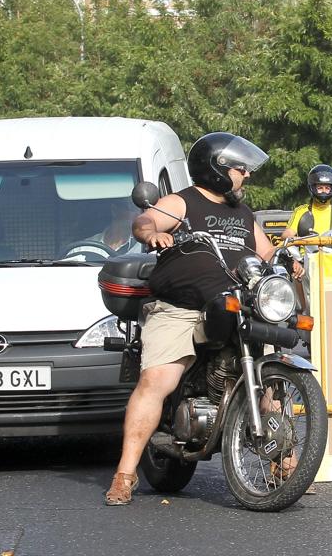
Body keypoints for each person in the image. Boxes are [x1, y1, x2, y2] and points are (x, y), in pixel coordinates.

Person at [105, 132, 300, 506]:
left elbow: (266, 251)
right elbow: (146, 221)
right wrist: (153, 236)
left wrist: (287, 260)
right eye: (240, 168)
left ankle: (285, 465)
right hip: (181, 307)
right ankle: (125, 474)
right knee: (158, 379)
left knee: (268, 381)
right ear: (217, 170)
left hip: (235, 303)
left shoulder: (244, 215)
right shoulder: (183, 201)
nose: (246, 175)